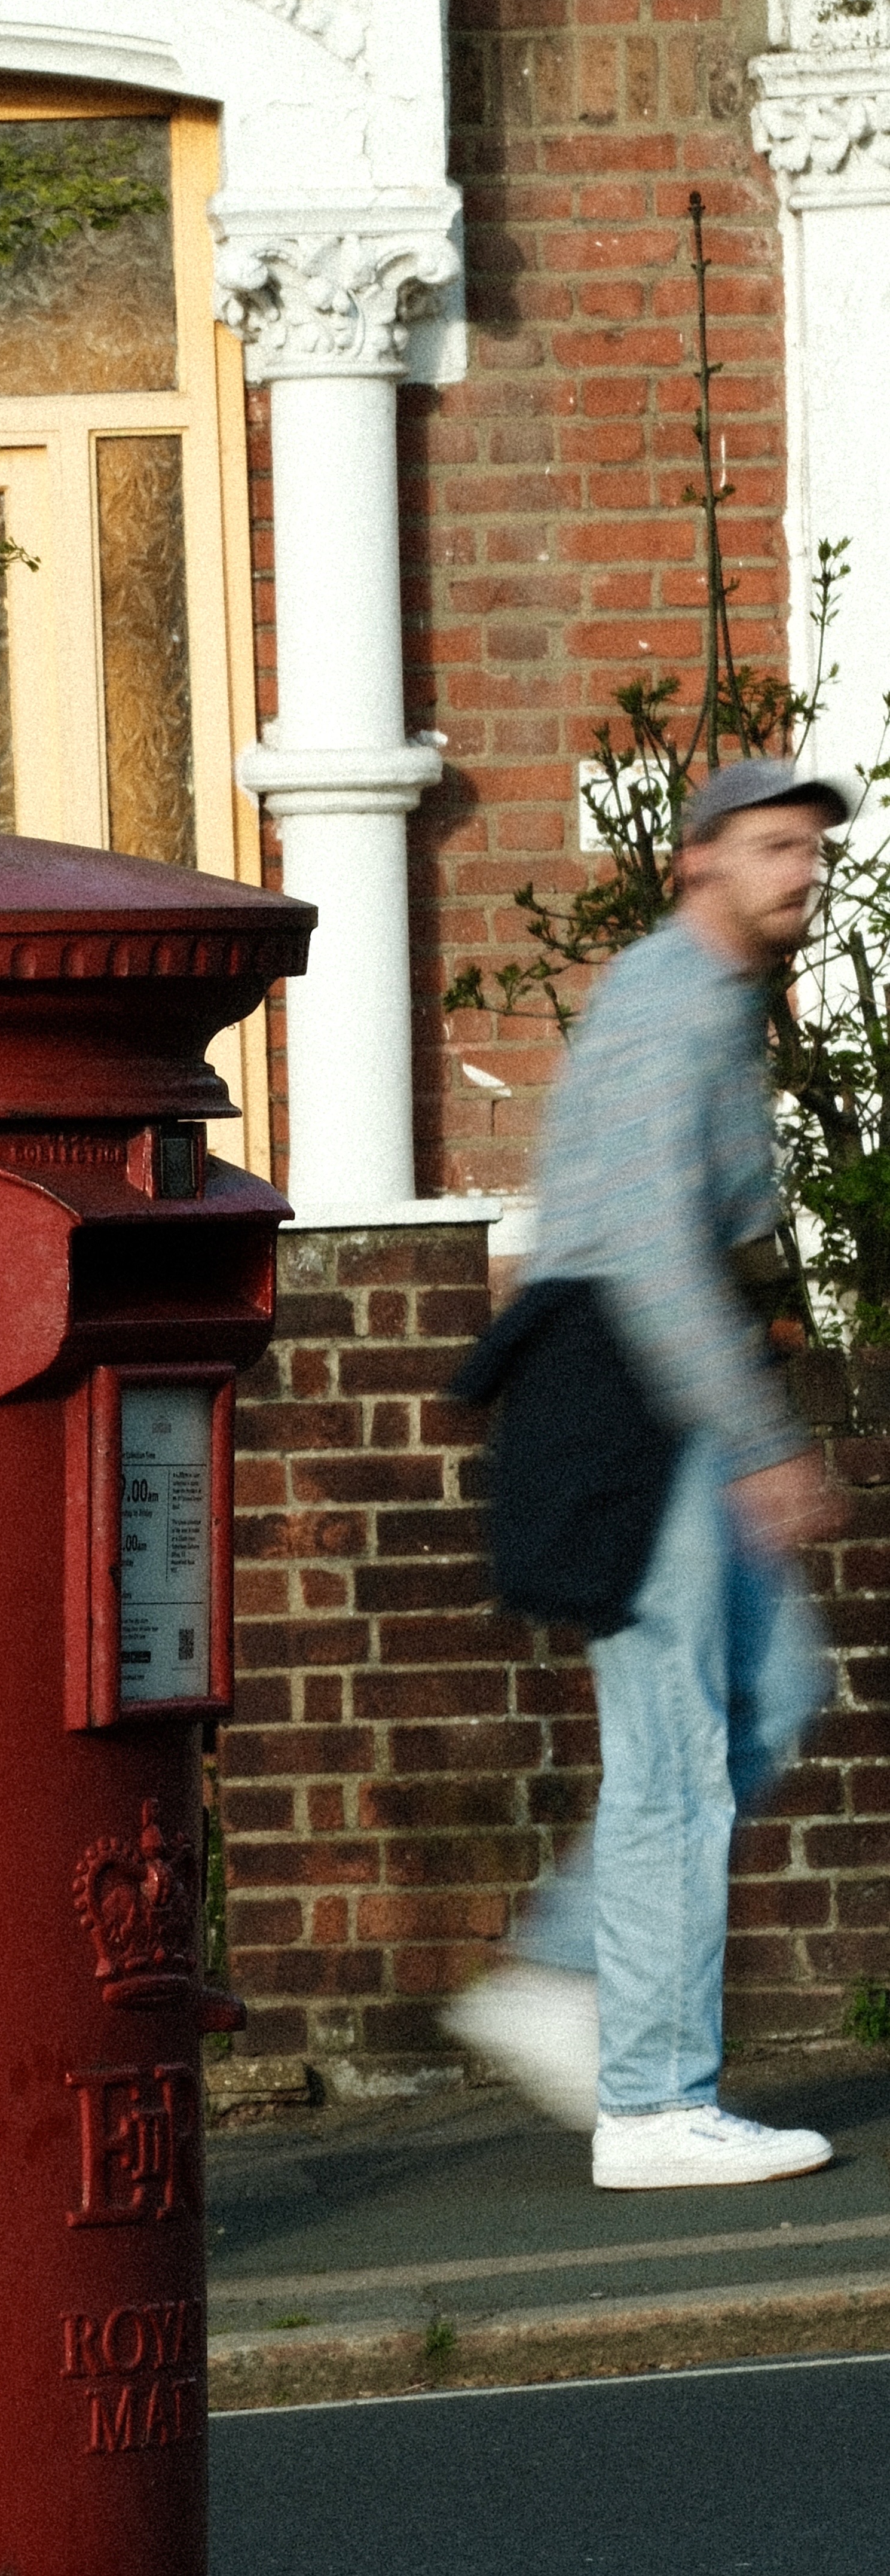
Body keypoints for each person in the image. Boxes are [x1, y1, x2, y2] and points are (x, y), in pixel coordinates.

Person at [445, 756, 851, 2188]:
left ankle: (565, 1974)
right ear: (697, 862)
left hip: (674, 1404)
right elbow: (646, 1250)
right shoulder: (668, 1006)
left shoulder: (717, 1004)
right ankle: (655, 2102)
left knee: (780, 1694)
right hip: (638, 1407)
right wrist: (761, 1447)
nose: (799, 869)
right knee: (672, 1760)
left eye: (810, 847)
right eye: (769, 846)